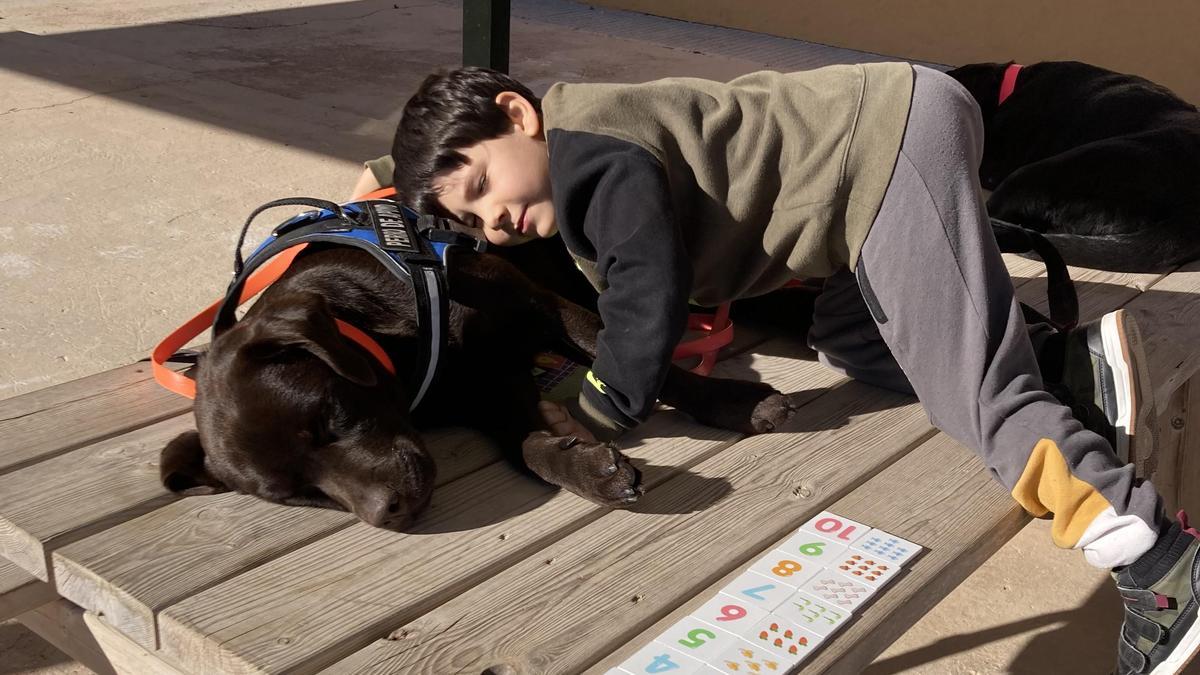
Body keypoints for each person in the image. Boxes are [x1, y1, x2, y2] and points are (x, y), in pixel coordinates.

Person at [367, 64, 1196, 672]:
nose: (496, 220)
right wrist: (379, 182)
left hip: (886, 145)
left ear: (518, 114)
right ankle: (1067, 366)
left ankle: (1154, 558)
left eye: (480, 185)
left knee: (972, 392)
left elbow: (643, 297)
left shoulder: (593, 160)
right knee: (851, 336)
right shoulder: (583, 140)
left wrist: (601, 406)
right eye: (473, 222)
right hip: (862, 174)